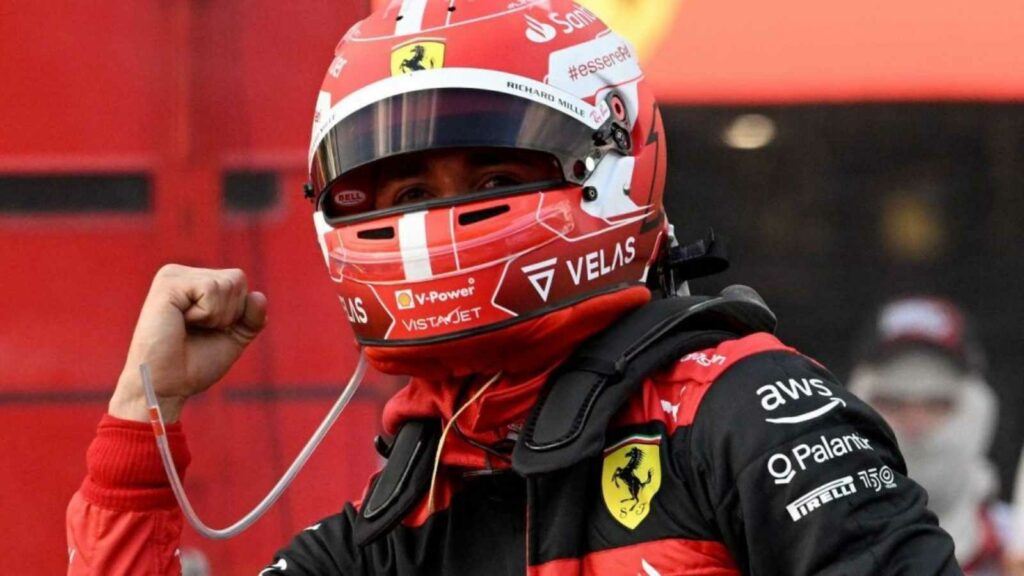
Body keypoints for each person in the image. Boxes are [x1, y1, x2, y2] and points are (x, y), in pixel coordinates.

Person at [66, 1, 961, 574]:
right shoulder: (403, 518)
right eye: (407, 192)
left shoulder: (745, 413)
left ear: (605, 164)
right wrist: (141, 416)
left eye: (491, 176)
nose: (434, 221)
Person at [849, 297, 1008, 575]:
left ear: (980, 412)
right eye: (893, 403)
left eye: (937, 404)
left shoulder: (1017, 548)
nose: (915, 425)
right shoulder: (801, 552)